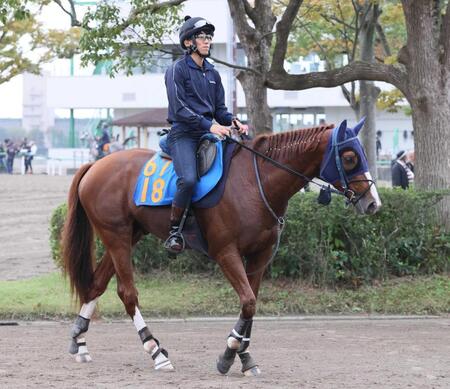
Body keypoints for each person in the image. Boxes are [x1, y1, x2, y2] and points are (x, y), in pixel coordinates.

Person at [164, 15, 248, 254]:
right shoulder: (176, 70)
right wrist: (209, 125)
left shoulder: (213, 73)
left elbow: (219, 110)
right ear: (189, 42)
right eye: (202, 37)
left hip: (207, 133)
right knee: (188, 179)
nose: (207, 41)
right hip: (183, 134)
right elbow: (179, 108)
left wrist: (234, 121)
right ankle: (174, 231)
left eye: (209, 37)